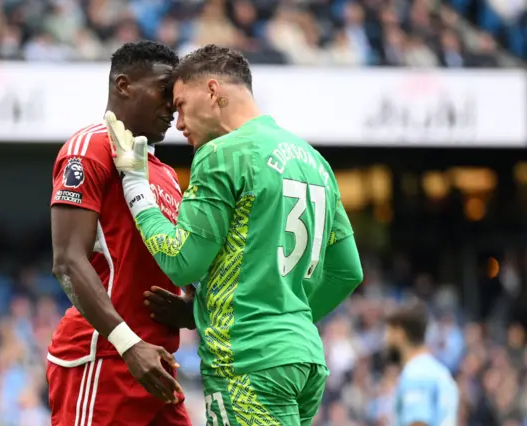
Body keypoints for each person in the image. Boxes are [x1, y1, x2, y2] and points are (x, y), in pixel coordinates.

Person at [108, 44, 363, 425]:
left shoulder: (222, 153)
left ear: (212, 91)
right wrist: (281, 316)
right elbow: (347, 272)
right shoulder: (314, 160)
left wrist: (136, 185)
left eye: (179, 105)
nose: (177, 123)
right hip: (303, 357)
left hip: (247, 360)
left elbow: (180, 260)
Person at [47, 40, 192, 426]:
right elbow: (66, 261)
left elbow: (175, 261)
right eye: (164, 91)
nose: (171, 108)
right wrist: (128, 344)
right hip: (104, 357)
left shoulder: (164, 174)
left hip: (157, 362)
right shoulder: (90, 147)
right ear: (124, 85)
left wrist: (194, 308)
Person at [385, 302, 459, 426]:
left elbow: (419, 422)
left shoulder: (416, 374)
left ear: (399, 333)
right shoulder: (439, 371)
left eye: (388, 332)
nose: (386, 340)